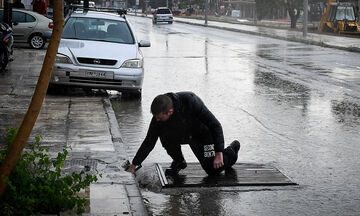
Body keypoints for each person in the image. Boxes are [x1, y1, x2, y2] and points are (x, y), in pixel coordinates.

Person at [126, 92, 240, 176]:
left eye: (160, 117)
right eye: (156, 117)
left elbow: (215, 125)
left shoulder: (191, 101)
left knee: (212, 170)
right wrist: (134, 164)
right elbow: (149, 141)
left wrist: (219, 152)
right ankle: (179, 161)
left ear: (170, 112)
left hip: (203, 134)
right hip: (184, 135)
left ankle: (232, 150)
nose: (157, 120)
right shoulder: (159, 117)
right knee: (164, 134)